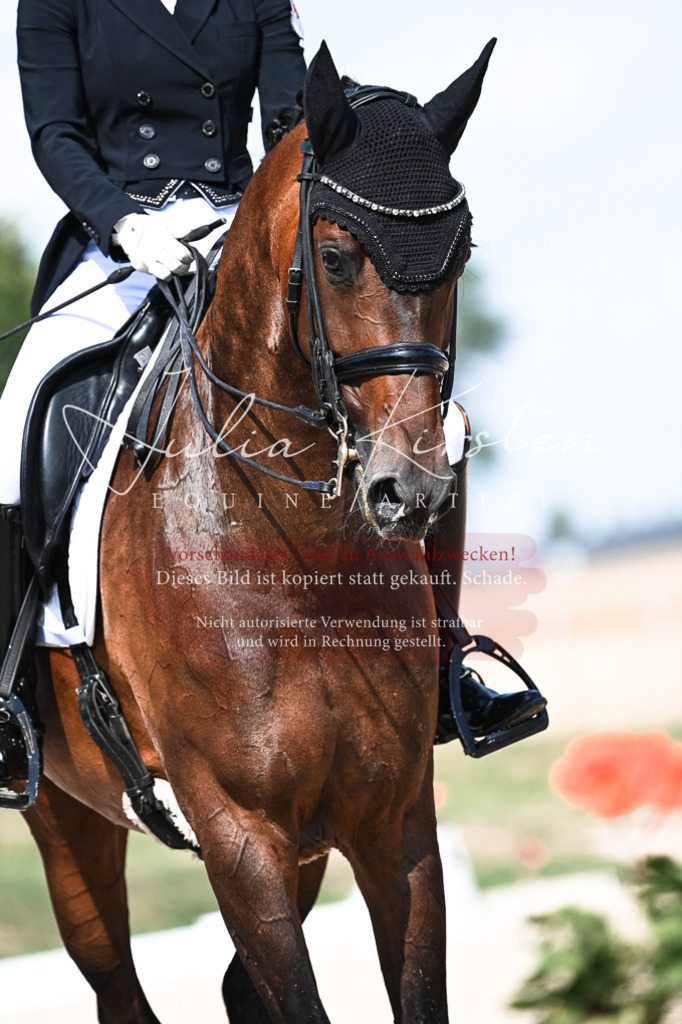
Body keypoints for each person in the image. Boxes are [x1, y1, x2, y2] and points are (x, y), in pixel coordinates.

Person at [0, 2, 542, 793]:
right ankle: (12, 690)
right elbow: (56, 135)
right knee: (14, 421)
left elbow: (293, 117)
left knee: (438, 426)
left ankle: (444, 659)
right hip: (116, 247)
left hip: (243, 229)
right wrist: (126, 225)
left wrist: (368, 146)